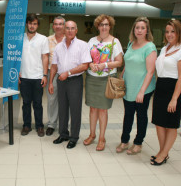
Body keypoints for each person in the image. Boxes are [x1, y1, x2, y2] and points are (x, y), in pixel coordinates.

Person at [151, 20, 181, 165]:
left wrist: (174, 99)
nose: (169, 34)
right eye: (167, 31)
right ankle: (163, 152)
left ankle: (163, 153)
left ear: (179, 32)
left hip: (174, 90)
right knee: (159, 123)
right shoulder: (165, 48)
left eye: (172, 31)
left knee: (171, 125)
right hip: (161, 87)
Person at [116, 17, 157, 155]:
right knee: (128, 115)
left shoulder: (150, 47)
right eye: (137, 27)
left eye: (142, 28)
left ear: (147, 30)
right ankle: (124, 140)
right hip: (129, 86)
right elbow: (127, 63)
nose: (139, 30)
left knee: (141, 116)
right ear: (134, 29)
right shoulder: (131, 43)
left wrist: (142, 91)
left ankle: (138, 142)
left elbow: (151, 71)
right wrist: (121, 76)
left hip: (143, 88)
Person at [49, 20, 92, 149]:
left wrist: (68, 73)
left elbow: (85, 65)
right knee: (62, 109)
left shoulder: (82, 45)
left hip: (75, 81)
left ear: (76, 30)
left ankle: (74, 137)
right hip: (60, 81)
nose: (70, 30)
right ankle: (63, 134)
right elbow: (54, 66)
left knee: (75, 109)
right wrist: (51, 82)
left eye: (72, 28)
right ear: (63, 30)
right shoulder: (58, 47)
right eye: (67, 28)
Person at [84, 14, 123, 151]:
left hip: (106, 79)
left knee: (103, 109)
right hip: (92, 78)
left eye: (106, 24)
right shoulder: (91, 40)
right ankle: (92, 134)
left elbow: (119, 61)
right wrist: (90, 65)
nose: (104, 27)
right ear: (98, 26)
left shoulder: (114, 41)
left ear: (110, 26)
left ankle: (102, 138)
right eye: (102, 24)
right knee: (93, 108)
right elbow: (86, 58)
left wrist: (105, 64)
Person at [19, 14, 49, 137]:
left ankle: (39, 126)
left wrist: (45, 75)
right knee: (26, 103)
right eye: (30, 23)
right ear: (27, 24)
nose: (32, 26)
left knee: (37, 103)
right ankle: (26, 125)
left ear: (37, 25)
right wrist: (17, 72)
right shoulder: (20, 38)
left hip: (37, 76)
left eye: (35, 23)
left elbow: (45, 57)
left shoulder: (43, 39)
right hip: (24, 76)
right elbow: (15, 56)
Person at [46, 16, 65, 136]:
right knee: (52, 100)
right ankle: (51, 124)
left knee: (65, 100)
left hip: (66, 74)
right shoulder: (47, 40)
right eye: (56, 24)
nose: (58, 26)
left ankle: (64, 125)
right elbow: (44, 58)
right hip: (51, 73)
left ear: (64, 26)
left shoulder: (70, 39)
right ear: (53, 26)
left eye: (61, 24)